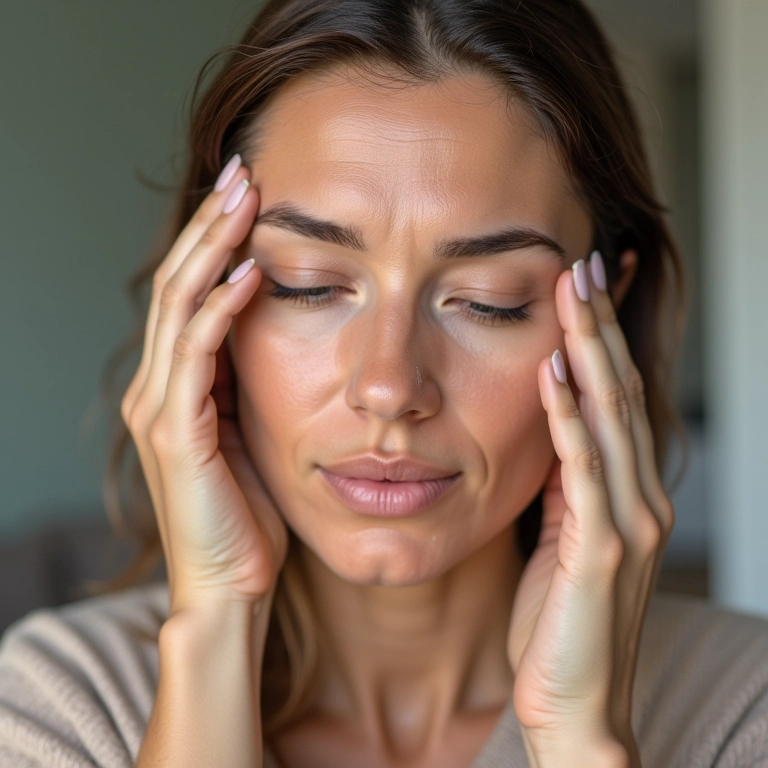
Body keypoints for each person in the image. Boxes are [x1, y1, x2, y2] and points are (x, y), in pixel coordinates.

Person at [2, 0, 768, 766]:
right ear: (201, 302)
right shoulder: (59, 707)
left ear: (608, 312)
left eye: (488, 300)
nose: (388, 385)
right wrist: (215, 635)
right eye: (305, 285)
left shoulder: (741, 707)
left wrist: (579, 737)